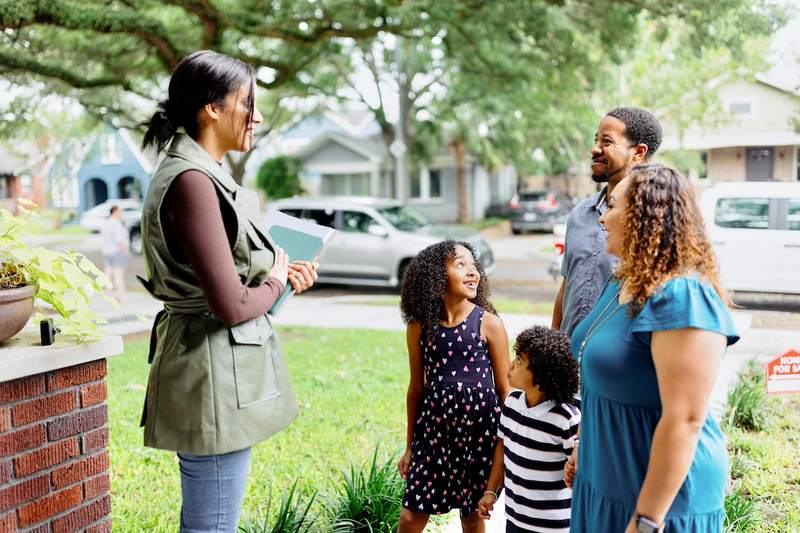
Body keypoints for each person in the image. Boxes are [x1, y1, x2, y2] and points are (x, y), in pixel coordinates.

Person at [138, 50, 318, 532]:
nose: (257, 116)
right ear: (211, 109)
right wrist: (275, 277)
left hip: (216, 372)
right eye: (248, 102)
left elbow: (233, 285)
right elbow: (231, 304)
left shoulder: (200, 173)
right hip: (211, 378)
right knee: (212, 525)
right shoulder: (193, 180)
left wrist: (280, 280)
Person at [568, 164, 739, 532]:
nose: (603, 217)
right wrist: (586, 443)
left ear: (645, 216)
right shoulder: (621, 284)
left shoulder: (682, 296)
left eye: (613, 207)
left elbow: (685, 420)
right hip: (606, 480)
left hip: (659, 501)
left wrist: (646, 521)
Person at [397, 240, 512, 533]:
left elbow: (505, 391)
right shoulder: (419, 326)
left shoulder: (489, 324)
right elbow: (416, 389)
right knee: (410, 517)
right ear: (437, 275)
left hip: (479, 435)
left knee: (472, 517)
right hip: (433, 435)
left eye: (474, 266)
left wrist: (508, 444)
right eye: (460, 265)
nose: (472, 272)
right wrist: (410, 446)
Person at [552, 107, 662, 337]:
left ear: (639, 152)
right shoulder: (580, 214)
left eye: (607, 142)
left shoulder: (656, 220)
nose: (595, 149)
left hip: (612, 363)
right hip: (568, 359)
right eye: (596, 140)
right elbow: (566, 287)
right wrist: (553, 347)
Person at [477, 326, 580, 533]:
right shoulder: (512, 403)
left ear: (541, 377)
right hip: (515, 519)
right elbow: (502, 446)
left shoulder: (566, 418)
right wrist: (491, 490)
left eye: (520, 361)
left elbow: (579, 470)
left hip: (553, 526)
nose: (512, 364)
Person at [100, 205, 130, 303]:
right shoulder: (116, 224)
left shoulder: (106, 223)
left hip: (107, 251)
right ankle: (121, 296)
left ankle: (107, 294)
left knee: (108, 272)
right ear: (115, 212)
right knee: (118, 275)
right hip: (117, 251)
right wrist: (126, 251)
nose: (121, 214)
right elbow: (119, 240)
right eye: (120, 212)